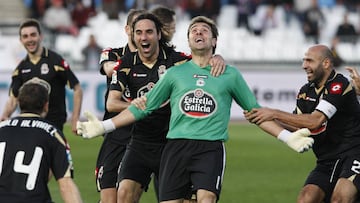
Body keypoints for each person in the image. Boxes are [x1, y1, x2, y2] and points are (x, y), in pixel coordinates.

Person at [77, 15, 314, 203]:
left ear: (214, 41)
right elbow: (144, 107)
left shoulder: (229, 74)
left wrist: (286, 137)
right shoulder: (175, 73)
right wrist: (103, 126)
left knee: (206, 198)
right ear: (188, 41)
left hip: (210, 149)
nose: (198, 33)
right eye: (193, 31)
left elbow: (255, 113)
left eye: (204, 31)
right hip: (175, 147)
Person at [105, 13, 227, 203]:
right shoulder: (125, 63)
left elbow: (203, 60)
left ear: (158, 35)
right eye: (139, 33)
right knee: (124, 193)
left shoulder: (177, 61)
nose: (144, 37)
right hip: (140, 142)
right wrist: (137, 105)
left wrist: (217, 57)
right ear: (133, 36)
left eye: (149, 32)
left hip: (173, 143)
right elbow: (111, 103)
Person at [244, 44, 360, 203]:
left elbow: (315, 121)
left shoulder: (339, 84)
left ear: (326, 63)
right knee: (305, 199)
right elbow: (299, 126)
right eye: (304, 60)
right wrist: (262, 116)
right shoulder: (306, 91)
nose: (304, 65)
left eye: (309, 61)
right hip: (327, 159)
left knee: (341, 198)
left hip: (354, 154)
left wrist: (274, 112)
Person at [0, 79, 83, 203]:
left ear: (19, 103)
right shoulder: (53, 134)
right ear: (46, 105)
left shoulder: (2, 128)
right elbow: (66, 185)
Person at [95, 8, 145, 203]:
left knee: (128, 197)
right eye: (136, 28)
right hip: (115, 134)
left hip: (142, 137)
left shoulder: (157, 61)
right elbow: (108, 68)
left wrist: (216, 57)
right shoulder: (113, 54)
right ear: (127, 29)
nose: (141, 33)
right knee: (108, 197)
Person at [0, 18, 83, 135]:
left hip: (54, 125)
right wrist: (4, 115)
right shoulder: (20, 69)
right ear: (21, 40)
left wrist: (75, 118)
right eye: (25, 36)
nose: (30, 39)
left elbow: (77, 88)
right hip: (31, 126)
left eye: (33, 35)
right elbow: (13, 99)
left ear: (40, 36)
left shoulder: (56, 61)